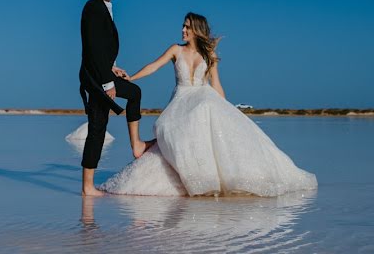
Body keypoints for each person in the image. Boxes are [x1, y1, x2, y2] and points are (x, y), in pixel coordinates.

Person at [100, 12, 317, 197]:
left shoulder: (208, 54)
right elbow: (154, 66)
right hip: (182, 99)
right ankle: (190, 175)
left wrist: (228, 111)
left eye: (187, 27)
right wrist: (132, 78)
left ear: (196, 30)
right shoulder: (176, 49)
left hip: (204, 97)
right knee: (172, 128)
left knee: (205, 111)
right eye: (183, 26)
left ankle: (211, 179)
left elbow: (217, 85)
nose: (183, 30)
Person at [79, 0, 154, 196]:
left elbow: (101, 48)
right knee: (97, 128)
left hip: (101, 72)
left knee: (131, 95)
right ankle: (88, 187)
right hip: (96, 79)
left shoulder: (103, 8)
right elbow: (92, 48)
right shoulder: (93, 8)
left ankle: (136, 145)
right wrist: (107, 83)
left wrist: (112, 68)